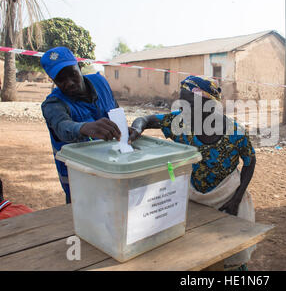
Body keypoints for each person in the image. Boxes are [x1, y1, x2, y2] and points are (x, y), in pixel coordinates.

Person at [130, 75, 257, 271]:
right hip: (193, 198)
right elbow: (146, 119)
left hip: (227, 199)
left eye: (189, 103)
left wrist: (236, 200)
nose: (182, 108)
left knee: (231, 257)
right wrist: (138, 127)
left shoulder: (235, 132)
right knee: (197, 255)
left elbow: (250, 162)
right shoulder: (180, 123)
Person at [40, 47, 135, 204]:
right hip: (79, 177)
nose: (69, 82)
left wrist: (123, 129)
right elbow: (62, 126)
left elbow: (114, 108)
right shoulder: (53, 104)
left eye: (72, 73)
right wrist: (84, 128)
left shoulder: (101, 82)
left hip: (112, 168)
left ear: (80, 66)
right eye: (60, 79)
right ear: (53, 80)